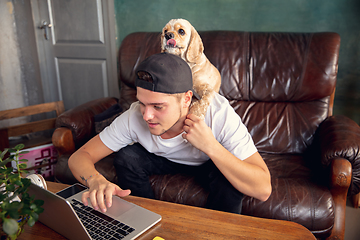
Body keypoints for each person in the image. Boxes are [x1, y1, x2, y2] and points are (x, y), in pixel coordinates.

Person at [68, 52, 271, 214]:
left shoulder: (217, 114)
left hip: (209, 163)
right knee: (126, 157)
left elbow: (263, 189)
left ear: (186, 99)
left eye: (158, 106)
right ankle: (143, 221)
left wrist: (211, 146)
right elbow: (79, 157)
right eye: (142, 103)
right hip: (160, 160)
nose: (147, 116)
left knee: (230, 178)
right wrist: (95, 180)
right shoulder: (133, 118)